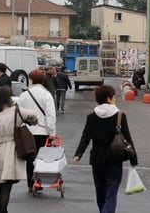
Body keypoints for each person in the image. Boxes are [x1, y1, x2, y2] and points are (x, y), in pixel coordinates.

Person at [73, 84, 138, 213]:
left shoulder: (92, 117)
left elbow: (85, 137)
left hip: (97, 161)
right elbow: (128, 138)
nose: (115, 99)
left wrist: (78, 154)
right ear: (108, 99)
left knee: (100, 192)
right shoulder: (120, 116)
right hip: (115, 160)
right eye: (113, 97)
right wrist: (133, 159)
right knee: (111, 194)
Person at [0, 86, 38, 213]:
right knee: (7, 184)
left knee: (2, 183)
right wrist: (30, 121)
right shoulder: (16, 111)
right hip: (12, 150)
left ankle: (3, 210)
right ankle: (2, 210)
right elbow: (33, 116)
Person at [17, 69, 57, 192]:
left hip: (27, 131)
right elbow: (50, 115)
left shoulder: (24, 95)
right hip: (42, 131)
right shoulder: (47, 95)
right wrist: (52, 132)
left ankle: (30, 183)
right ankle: (39, 181)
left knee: (30, 157)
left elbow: (19, 113)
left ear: (31, 80)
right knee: (41, 158)